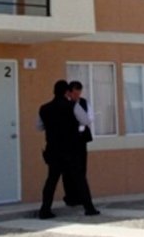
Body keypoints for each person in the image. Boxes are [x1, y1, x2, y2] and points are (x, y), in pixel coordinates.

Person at [37, 80, 99, 219]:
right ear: (67, 92)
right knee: (80, 179)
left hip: (53, 150)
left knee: (51, 180)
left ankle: (45, 210)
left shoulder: (44, 108)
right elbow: (85, 121)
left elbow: (39, 127)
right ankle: (89, 208)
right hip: (71, 149)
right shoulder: (73, 106)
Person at [63, 80, 94, 208]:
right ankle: (70, 197)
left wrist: (80, 125)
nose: (77, 96)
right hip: (69, 141)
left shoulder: (84, 103)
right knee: (68, 171)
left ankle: (80, 196)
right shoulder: (65, 104)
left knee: (81, 168)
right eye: (75, 93)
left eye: (79, 93)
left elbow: (89, 118)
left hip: (81, 139)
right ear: (69, 92)